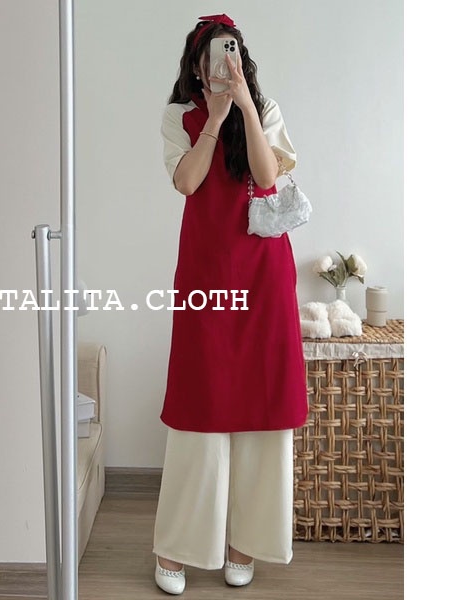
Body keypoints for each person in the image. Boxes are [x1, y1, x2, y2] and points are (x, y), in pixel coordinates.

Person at [152, 14, 309, 595]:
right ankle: (176, 548)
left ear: (241, 59)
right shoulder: (180, 116)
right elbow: (187, 183)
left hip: (264, 276)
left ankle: (245, 545)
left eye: (231, 53)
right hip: (207, 275)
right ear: (197, 66)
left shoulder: (265, 110)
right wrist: (215, 121)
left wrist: (244, 107)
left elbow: (267, 178)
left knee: (264, 405)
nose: (222, 63)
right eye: (213, 55)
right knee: (200, 403)